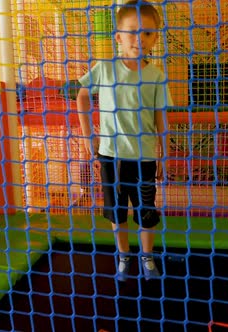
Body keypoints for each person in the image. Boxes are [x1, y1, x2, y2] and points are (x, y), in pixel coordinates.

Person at [77, 0, 172, 281]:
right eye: (132, 32)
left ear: (155, 37)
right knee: (117, 214)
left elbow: (160, 118)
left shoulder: (156, 76)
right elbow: (82, 94)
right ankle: (123, 255)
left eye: (148, 33)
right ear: (118, 36)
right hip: (111, 157)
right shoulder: (105, 69)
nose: (140, 39)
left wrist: (164, 154)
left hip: (143, 158)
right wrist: (87, 136)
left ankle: (147, 257)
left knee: (146, 213)